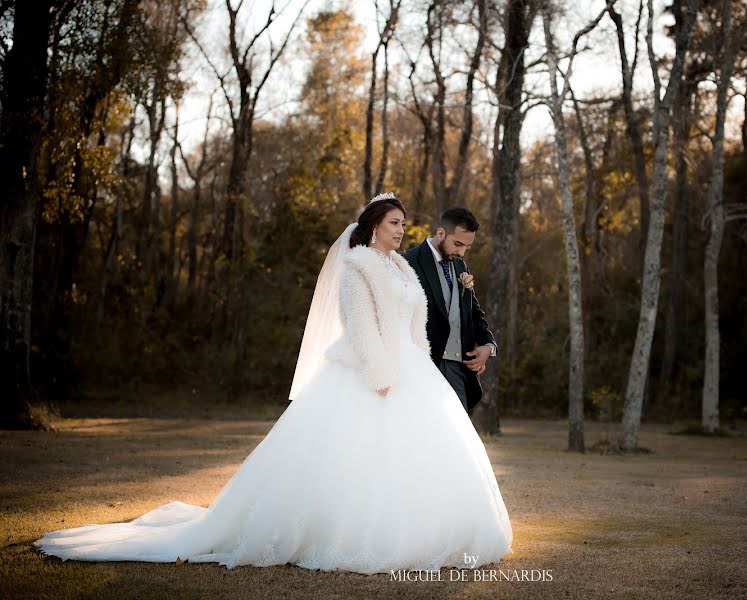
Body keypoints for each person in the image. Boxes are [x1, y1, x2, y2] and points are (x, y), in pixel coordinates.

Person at [34, 193, 513, 575]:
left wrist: (418, 364)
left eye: (402, 223)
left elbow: (416, 320)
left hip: (414, 369)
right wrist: (381, 373)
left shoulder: (402, 268)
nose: (400, 229)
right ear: (372, 226)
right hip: (374, 372)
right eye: (393, 223)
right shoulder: (358, 266)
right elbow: (360, 324)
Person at [402, 208, 497, 414]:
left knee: (457, 439)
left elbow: (474, 313)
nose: (462, 252)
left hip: (459, 370)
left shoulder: (461, 265)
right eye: (458, 244)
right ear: (441, 233)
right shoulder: (408, 262)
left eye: (467, 247)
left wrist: (488, 345)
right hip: (423, 367)